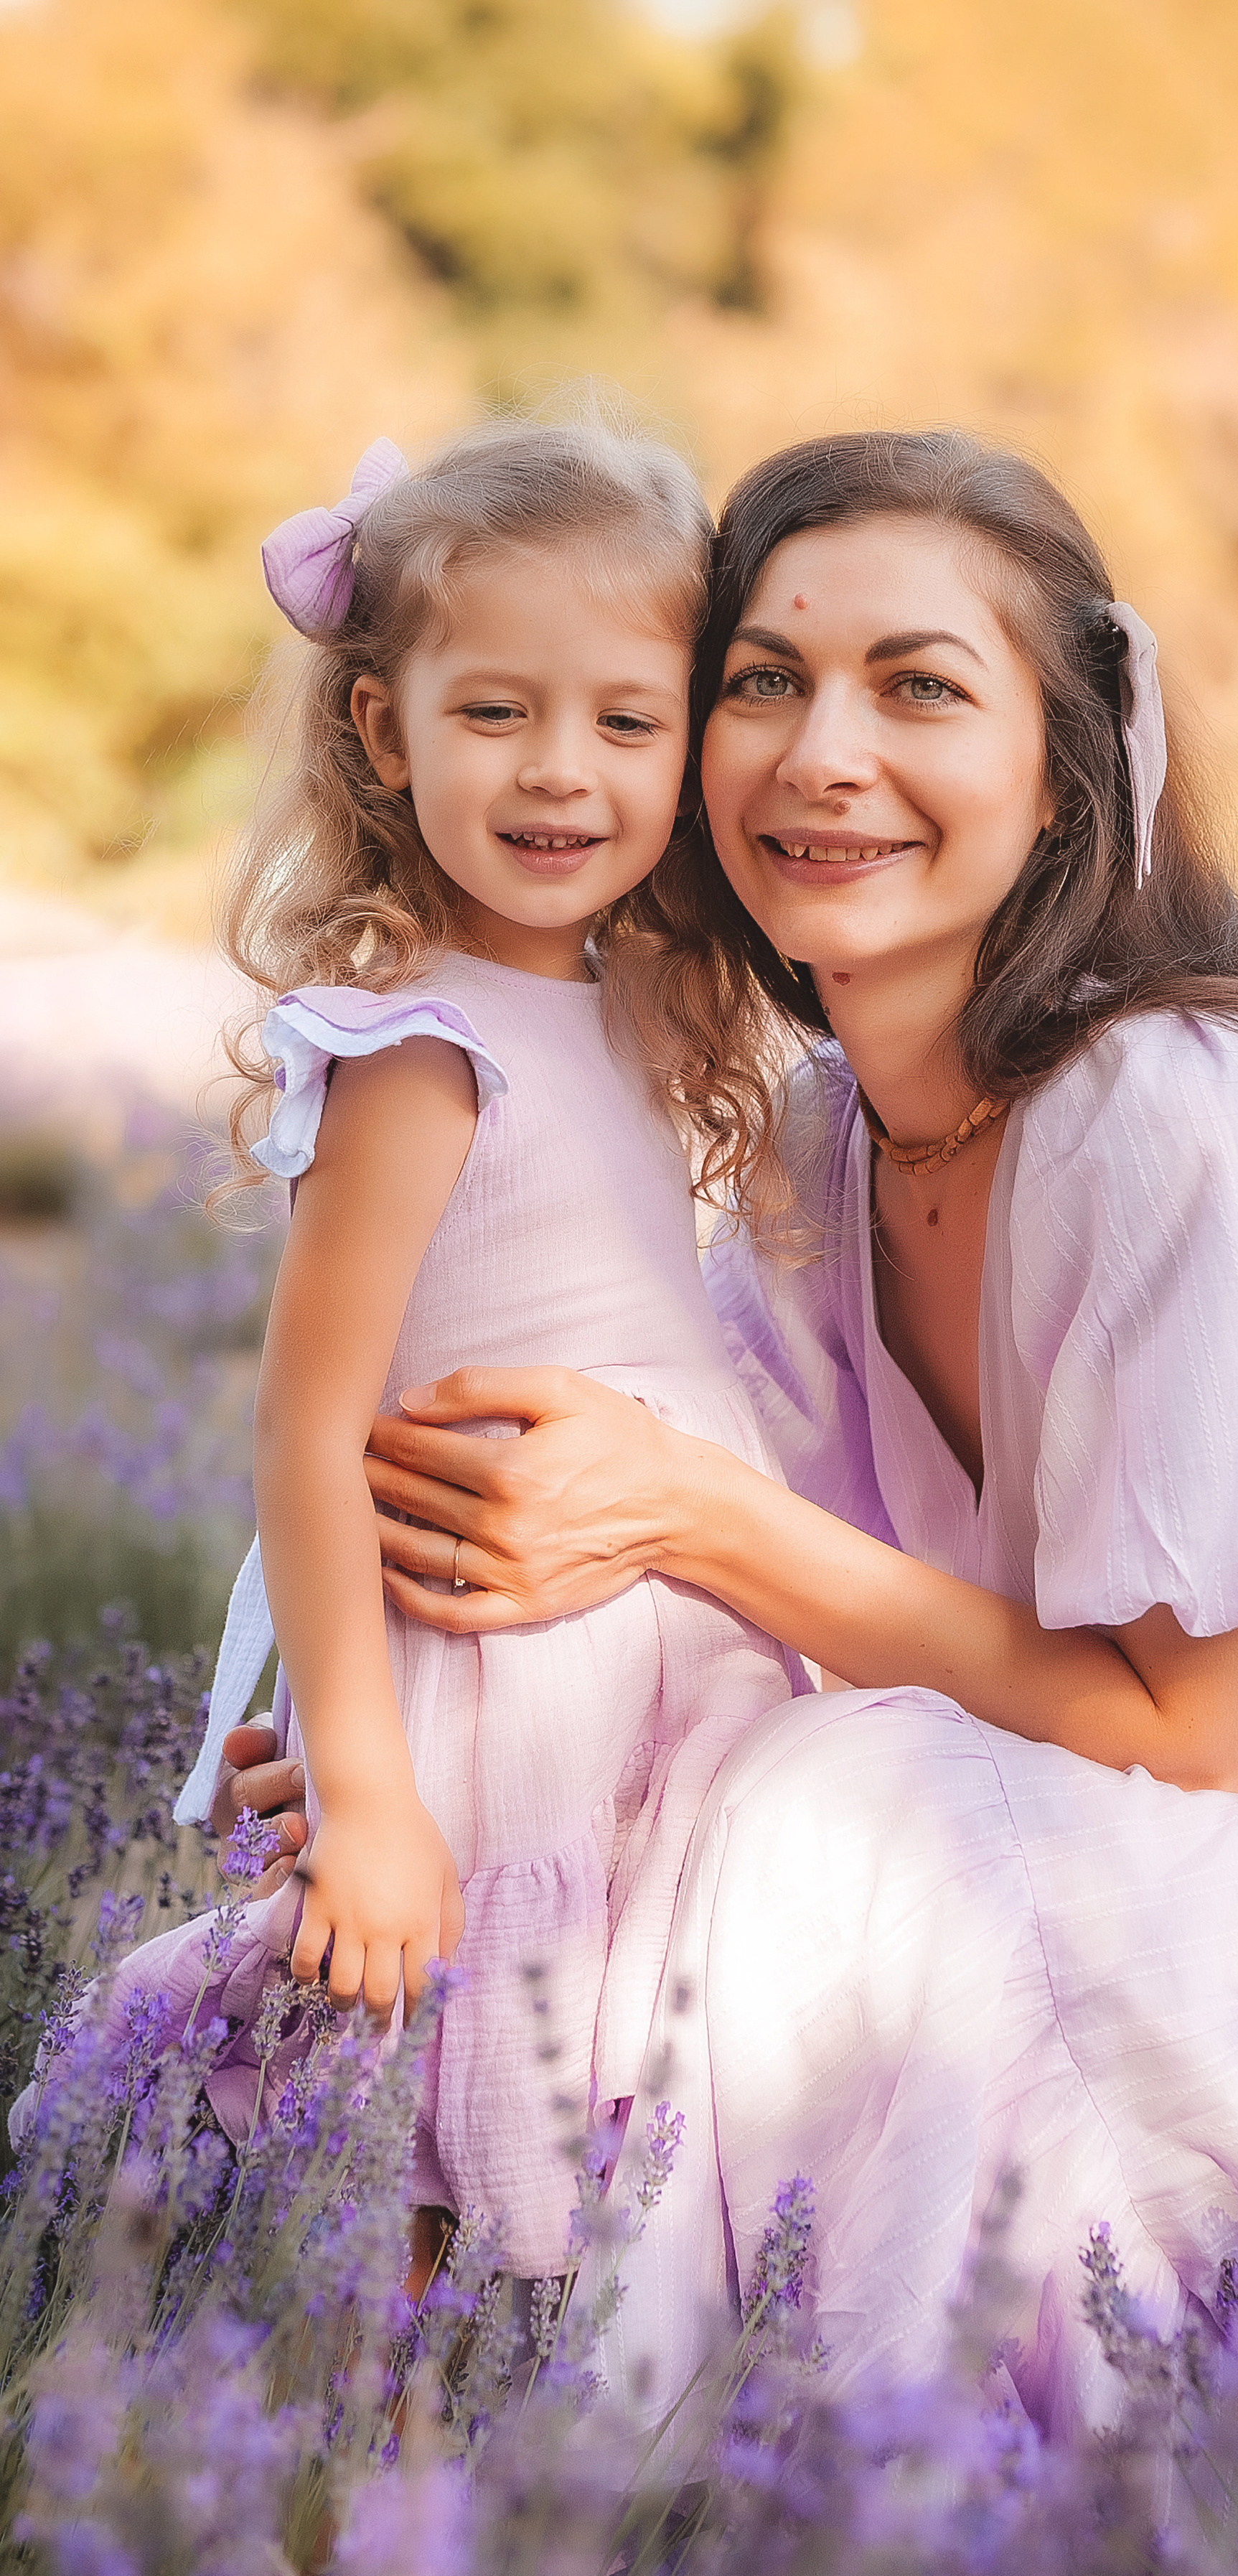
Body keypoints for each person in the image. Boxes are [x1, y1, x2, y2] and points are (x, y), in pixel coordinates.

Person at [234, 430, 1238, 2429]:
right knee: (784, 1814)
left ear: (1066, 763)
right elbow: (763, 1615)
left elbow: (1189, 1743)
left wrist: (692, 1512)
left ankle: (920, 2545)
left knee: (853, 1820)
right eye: (763, 681)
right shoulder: (830, 1138)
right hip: (1176, 1894)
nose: (825, 751)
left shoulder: (1185, 1115)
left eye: (918, 685)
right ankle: (600, 2522)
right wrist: (419, 1751)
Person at [88, 419, 804, 2281]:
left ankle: (498, 2516)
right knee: (438, 2143)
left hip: (644, 1660)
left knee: (594, 2135)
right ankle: (357, 2523)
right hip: (492, 1686)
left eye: (625, 722)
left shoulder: (631, 1001)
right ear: (386, 733)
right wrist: (370, 1790)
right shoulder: (416, 1049)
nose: (562, 771)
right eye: (496, 714)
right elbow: (307, 1432)